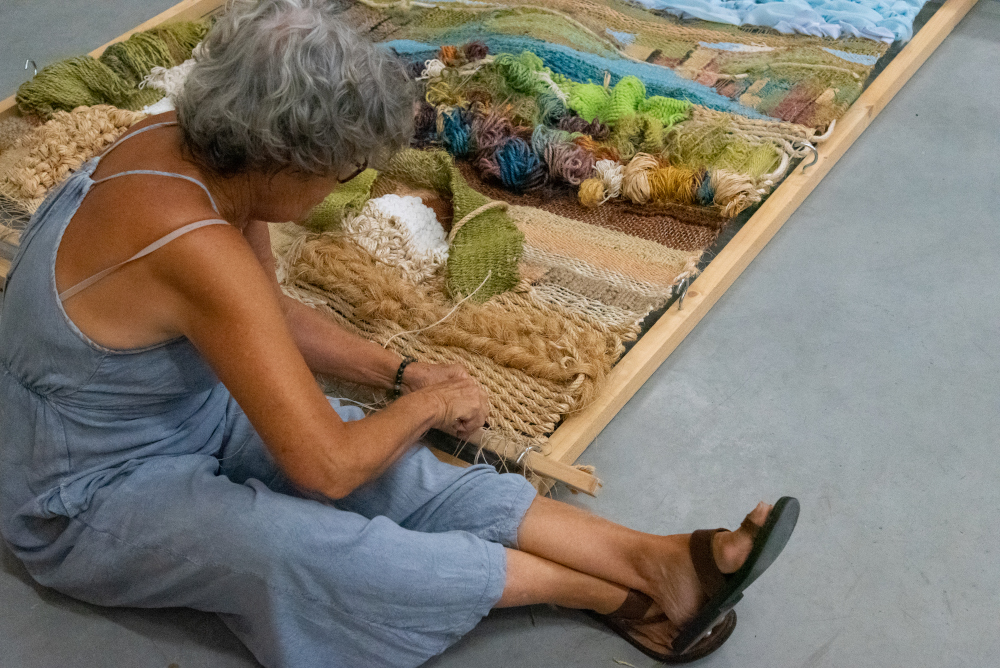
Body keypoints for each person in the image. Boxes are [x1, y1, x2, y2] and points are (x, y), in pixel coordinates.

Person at [0, 1, 798, 666]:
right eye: (341, 170)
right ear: (282, 156)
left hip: (176, 416)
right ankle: (612, 596)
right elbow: (326, 470)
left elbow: (268, 313)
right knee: (302, 547)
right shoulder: (194, 245)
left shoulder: (199, 146)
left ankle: (650, 558)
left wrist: (403, 375)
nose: (338, 188)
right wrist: (427, 407)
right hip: (82, 494)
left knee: (398, 471)